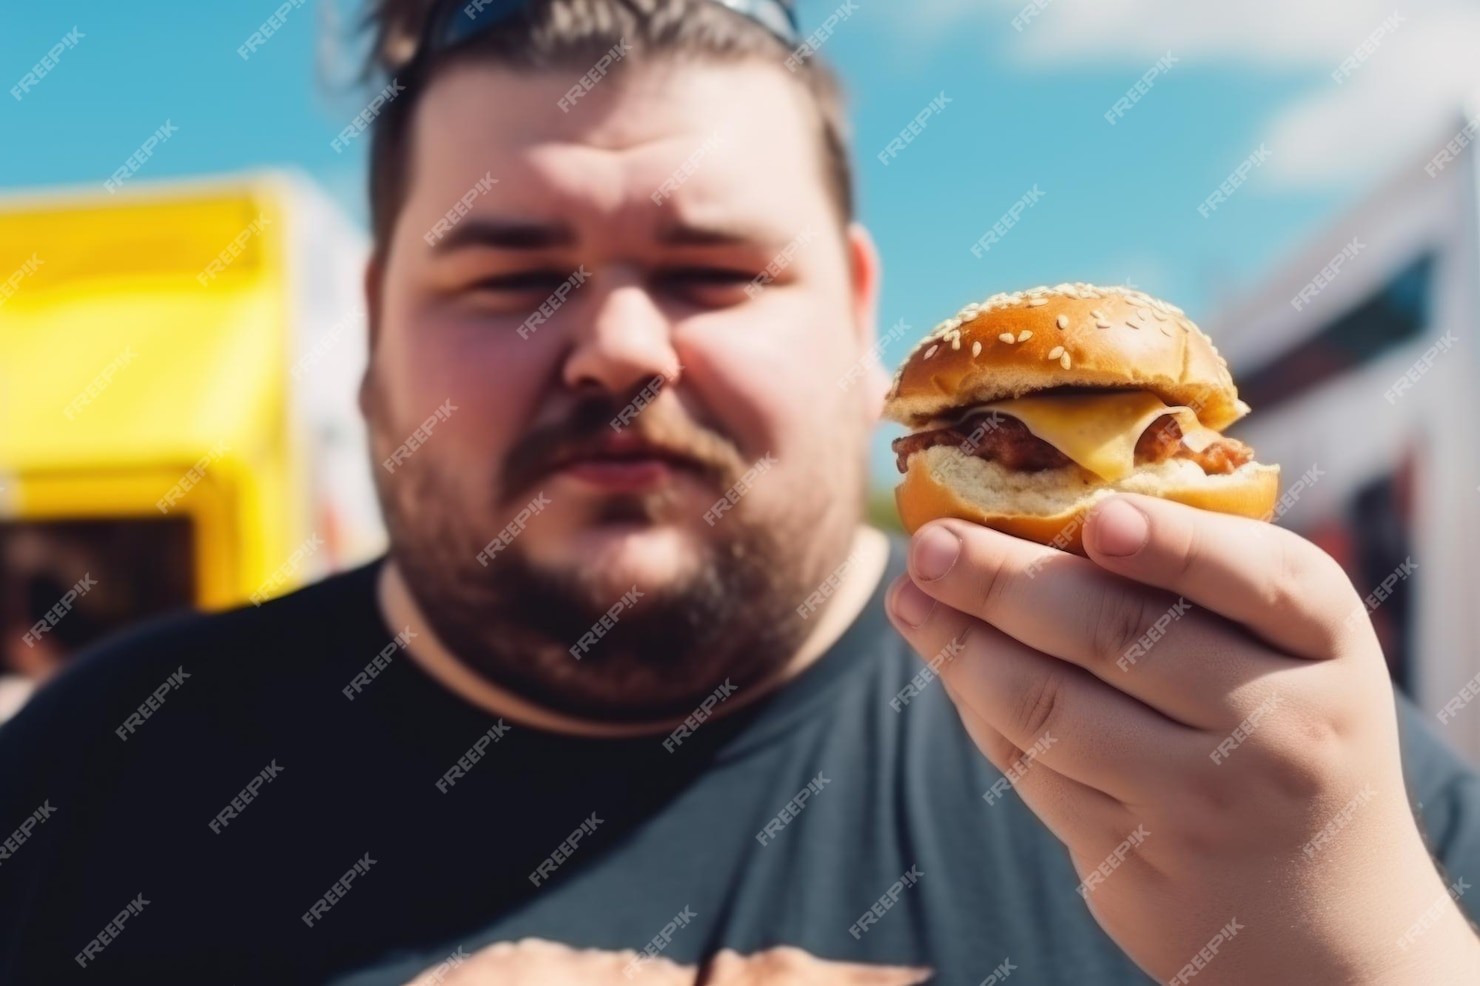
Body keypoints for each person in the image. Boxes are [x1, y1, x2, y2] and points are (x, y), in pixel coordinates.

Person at [2, 1, 1478, 982]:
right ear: (372, 327)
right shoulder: (83, 783)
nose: (621, 345)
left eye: (714, 272)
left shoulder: (1267, 763)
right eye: (513, 274)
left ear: (854, 315)